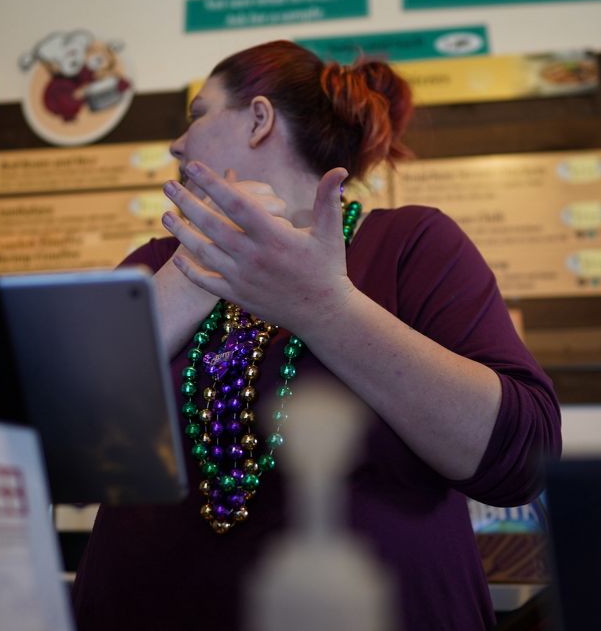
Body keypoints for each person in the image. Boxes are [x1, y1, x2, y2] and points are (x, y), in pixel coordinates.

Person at [71, 40, 561, 631]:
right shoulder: (156, 264)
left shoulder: (412, 243)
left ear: (259, 118)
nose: (178, 143)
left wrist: (326, 309)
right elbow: (61, 446)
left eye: (198, 113)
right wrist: (195, 267)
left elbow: (522, 459)